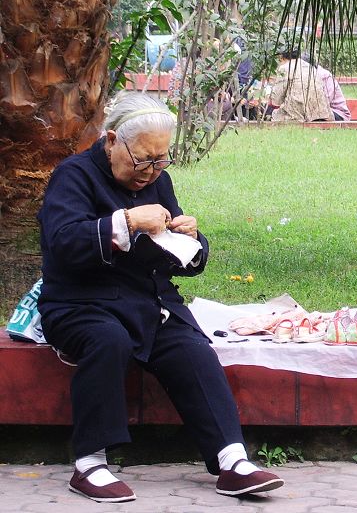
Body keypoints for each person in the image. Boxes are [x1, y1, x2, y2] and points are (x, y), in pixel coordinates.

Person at [37, 92, 284, 503]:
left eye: (160, 160)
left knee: (190, 346)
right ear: (112, 140)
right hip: (79, 303)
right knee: (108, 340)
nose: (150, 172)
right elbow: (62, 243)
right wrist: (127, 221)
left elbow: (173, 257)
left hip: (147, 302)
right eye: (142, 160)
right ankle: (90, 464)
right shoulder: (73, 176)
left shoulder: (159, 181)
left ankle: (232, 460)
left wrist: (191, 239)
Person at [269, 48, 334, 122]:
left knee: (268, 111)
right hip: (320, 114)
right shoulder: (310, 67)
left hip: (297, 115)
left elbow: (276, 100)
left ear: (281, 57)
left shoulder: (284, 68)